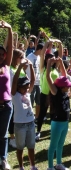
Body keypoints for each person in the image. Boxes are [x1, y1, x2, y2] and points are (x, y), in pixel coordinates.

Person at [46, 58, 71, 170]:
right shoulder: (56, 92)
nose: (69, 86)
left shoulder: (65, 92)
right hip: (57, 123)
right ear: (62, 86)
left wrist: (61, 62)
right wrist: (48, 63)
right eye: (67, 85)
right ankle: (50, 167)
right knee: (53, 146)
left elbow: (64, 75)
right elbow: (48, 77)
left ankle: (59, 164)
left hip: (65, 122)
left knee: (60, 145)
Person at [11, 60, 37, 170]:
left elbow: (33, 81)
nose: (27, 88)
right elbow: (14, 82)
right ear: (18, 88)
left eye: (27, 87)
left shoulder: (28, 93)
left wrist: (30, 66)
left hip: (30, 123)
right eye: (24, 87)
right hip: (20, 125)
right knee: (20, 147)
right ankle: (21, 167)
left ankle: (32, 166)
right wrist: (20, 67)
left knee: (31, 147)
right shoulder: (14, 95)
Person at [36, 39, 63, 141]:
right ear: (47, 60)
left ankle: (53, 130)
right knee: (42, 113)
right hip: (44, 93)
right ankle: (38, 131)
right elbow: (42, 53)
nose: (52, 59)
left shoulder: (56, 68)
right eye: (50, 58)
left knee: (53, 113)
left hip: (54, 94)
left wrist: (59, 43)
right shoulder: (43, 68)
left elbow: (60, 54)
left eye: (53, 58)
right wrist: (48, 42)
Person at [0, 20, 13, 170]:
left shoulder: (7, 64)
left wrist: (9, 29)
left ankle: (3, 160)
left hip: (6, 106)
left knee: (3, 135)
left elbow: (11, 48)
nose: (1, 56)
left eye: (2, 54)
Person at [26, 43, 44, 121]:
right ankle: (29, 116)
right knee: (31, 100)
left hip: (38, 82)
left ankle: (37, 117)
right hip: (31, 82)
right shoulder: (29, 57)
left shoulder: (40, 57)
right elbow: (25, 69)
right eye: (43, 50)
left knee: (39, 101)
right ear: (39, 49)